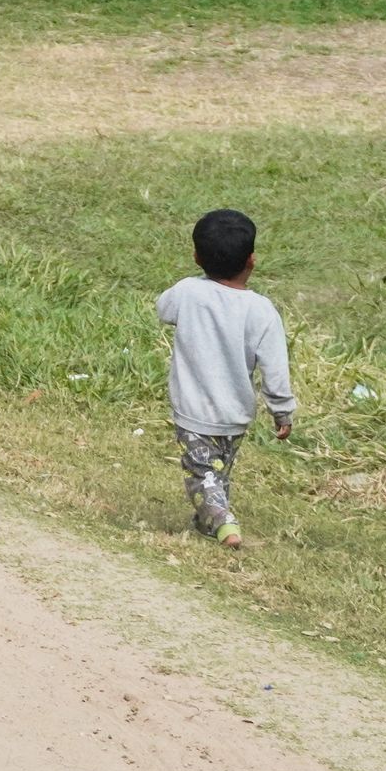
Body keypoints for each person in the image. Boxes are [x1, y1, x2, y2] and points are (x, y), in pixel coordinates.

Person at [155, 209, 295, 548]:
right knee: (217, 470)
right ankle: (208, 523)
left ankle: (222, 520)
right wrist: (282, 410)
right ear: (251, 260)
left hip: (193, 411)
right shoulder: (261, 310)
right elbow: (275, 368)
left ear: (196, 256)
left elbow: (163, 309)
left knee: (202, 473)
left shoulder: (187, 291)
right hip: (235, 414)